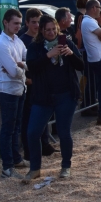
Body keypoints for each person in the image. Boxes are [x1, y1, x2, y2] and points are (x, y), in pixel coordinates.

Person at [23, 16, 84, 181]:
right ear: (42, 31)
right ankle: (35, 168)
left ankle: (66, 166)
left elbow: (81, 66)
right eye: (47, 30)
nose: (51, 33)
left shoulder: (67, 43)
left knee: (64, 132)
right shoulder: (35, 47)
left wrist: (71, 54)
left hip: (65, 95)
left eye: (53, 29)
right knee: (32, 132)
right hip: (42, 96)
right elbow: (32, 69)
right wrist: (48, 55)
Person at [0, 9, 29, 179]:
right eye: (15, 23)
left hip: (18, 88)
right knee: (8, 127)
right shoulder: (1, 44)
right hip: (6, 90)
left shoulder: (17, 41)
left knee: (16, 126)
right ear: (5, 23)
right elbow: (14, 71)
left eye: (19, 24)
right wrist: (21, 67)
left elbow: (25, 62)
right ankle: (7, 166)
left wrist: (20, 66)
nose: (18, 26)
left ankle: (15, 158)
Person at [19, 8, 56, 161]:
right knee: (29, 120)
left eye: (38, 22)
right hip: (30, 86)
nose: (35, 25)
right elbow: (24, 64)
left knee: (44, 119)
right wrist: (28, 79)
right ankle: (29, 151)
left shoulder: (42, 41)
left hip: (44, 86)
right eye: (33, 22)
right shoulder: (23, 41)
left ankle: (45, 145)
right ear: (27, 23)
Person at [81, 0, 101, 126]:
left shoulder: (90, 21)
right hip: (100, 60)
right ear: (94, 8)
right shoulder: (89, 21)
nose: (100, 10)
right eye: (99, 8)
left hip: (99, 59)